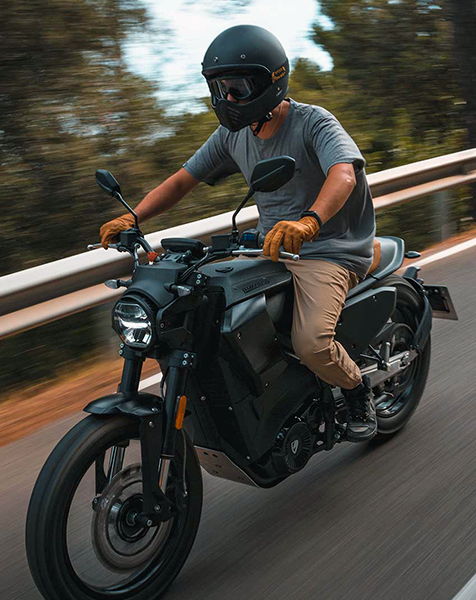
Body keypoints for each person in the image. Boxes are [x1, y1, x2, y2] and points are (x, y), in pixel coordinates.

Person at [99, 25, 378, 442]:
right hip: (272, 248)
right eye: (220, 89)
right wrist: (134, 218)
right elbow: (181, 180)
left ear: (271, 82)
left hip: (329, 250)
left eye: (238, 89)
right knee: (207, 310)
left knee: (310, 342)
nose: (226, 100)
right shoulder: (233, 136)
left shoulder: (313, 122)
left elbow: (343, 174)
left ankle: (357, 391)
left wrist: (309, 221)